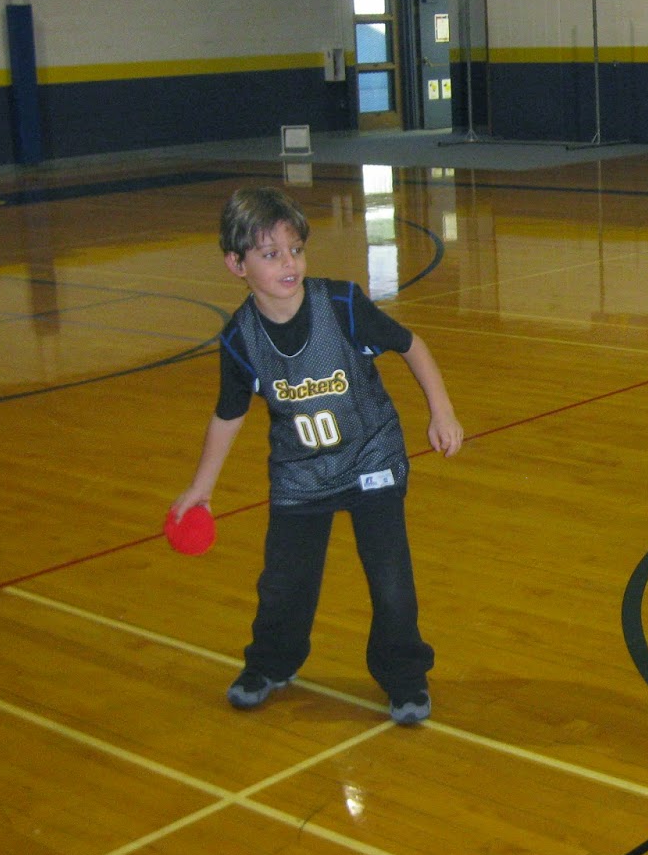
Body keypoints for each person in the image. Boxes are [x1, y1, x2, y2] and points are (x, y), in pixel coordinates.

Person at [173, 187, 463, 724]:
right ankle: (271, 664)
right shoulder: (239, 339)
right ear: (236, 264)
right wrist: (202, 486)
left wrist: (440, 409)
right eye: (270, 253)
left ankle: (404, 676)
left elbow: (411, 345)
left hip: (371, 457)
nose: (290, 263)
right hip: (300, 473)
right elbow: (229, 414)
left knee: (391, 578)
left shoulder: (343, 305)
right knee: (284, 582)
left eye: (295, 249)